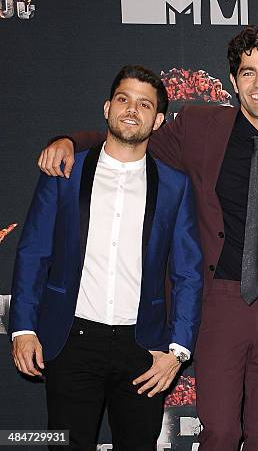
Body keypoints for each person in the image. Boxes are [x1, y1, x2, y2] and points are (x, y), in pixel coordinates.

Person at [37, 27, 258, 451]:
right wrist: (71, 141)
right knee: (221, 433)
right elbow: (131, 136)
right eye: (248, 73)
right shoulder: (197, 127)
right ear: (233, 81)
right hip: (219, 301)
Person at [10, 65, 203, 450]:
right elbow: (33, 251)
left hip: (142, 348)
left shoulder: (174, 186)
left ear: (158, 120)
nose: (132, 110)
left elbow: (188, 272)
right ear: (106, 108)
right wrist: (23, 328)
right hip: (69, 341)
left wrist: (177, 351)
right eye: (123, 99)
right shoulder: (64, 172)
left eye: (144, 104)